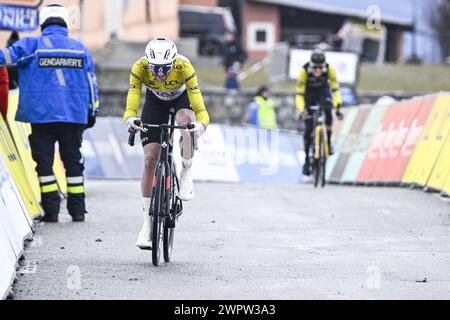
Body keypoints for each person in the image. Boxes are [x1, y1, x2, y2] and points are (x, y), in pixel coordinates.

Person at [0, 4, 99, 222]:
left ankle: (52, 211)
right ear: (65, 23)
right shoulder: (81, 49)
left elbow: (3, 58)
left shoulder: (31, 45)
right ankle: (78, 210)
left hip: (40, 116)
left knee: (44, 164)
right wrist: (93, 112)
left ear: (43, 23)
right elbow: (92, 84)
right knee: (73, 163)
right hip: (73, 116)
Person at [123, 37, 210, 250]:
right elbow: (133, 98)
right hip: (155, 102)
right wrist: (130, 119)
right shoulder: (140, 67)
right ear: (148, 62)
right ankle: (147, 224)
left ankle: (186, 171)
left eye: (164, 68)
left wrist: (201, 126)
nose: (160, 73)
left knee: (186, 124)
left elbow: (200, 108)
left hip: (181, 100)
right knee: (150, 158)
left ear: (173, 62)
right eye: (156, 68)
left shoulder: (184, 66)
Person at [296, 49, 344, 176]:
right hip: (309, 94)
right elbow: (300, 94)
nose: (317, 71)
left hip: (323, 93)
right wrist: (301, 111)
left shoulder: (329, 69)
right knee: (308, 128)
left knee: (328, 111)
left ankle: (328, 142)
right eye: (315, 68)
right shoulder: (304, 71)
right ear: (311, 65)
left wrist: (338, 106)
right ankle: (307, 159)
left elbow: (335, 89)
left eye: (320, 68)